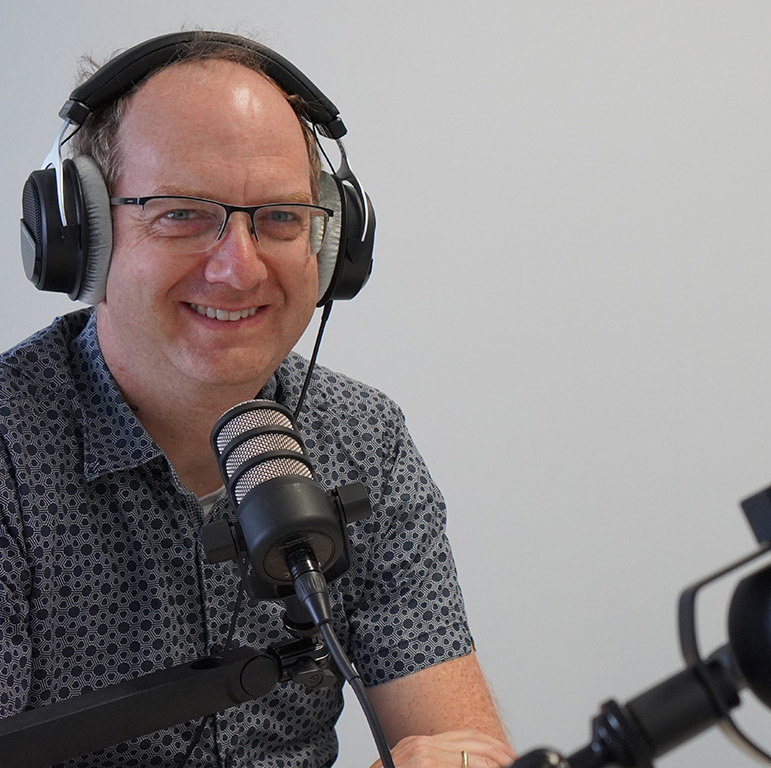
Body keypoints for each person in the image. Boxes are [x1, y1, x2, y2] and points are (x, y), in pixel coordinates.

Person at [0, 31, 515, 768]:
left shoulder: (366, 439)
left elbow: (460, 745)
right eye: (181, 212)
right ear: (80, 237)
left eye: (279, 216)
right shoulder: (9, 452)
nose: (238, 270)